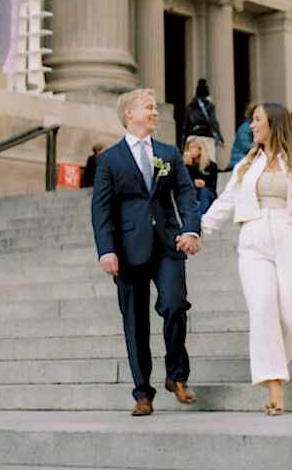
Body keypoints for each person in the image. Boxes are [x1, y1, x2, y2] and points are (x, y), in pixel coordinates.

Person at [201, 102, 292, 416]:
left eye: (256, 120)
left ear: (273, 124)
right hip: (254, 239)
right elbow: (227, 200)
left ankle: (272, 362)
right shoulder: (246, 164)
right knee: (262, 309)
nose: (251, 126)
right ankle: (274, 387)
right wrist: (199, 230)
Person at [92, 88, 201, 417]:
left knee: (174, 304)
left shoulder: (167, 154)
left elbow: (185, 194)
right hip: (127, 250)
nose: (155, 112)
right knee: (135, 322)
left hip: (168, 244)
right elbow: (101, 209)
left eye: (154, 107)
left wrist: (190, 229)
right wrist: (106, 250)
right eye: (149, 107)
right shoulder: (110, 160)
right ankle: (143, 392)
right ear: (130, 114)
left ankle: (176, 375)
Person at [181, 78, 224, 161]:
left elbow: (185, 126)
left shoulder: (190, 106)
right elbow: (213, 122)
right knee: (209, 160)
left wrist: (183, 143)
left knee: (194, 161)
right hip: (207, 136)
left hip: (193, 136)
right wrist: (220, 137)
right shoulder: (209, 106)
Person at [183, 135, 218, 215]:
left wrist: (204, 183)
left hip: (207, 193)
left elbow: (213, 184)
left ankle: (201, 218)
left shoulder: (211, 165)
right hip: (193, 192)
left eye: (193, 147)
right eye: (189, 148)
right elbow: (184, 181)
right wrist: (187, 166)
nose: (190, 150)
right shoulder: (187, 165)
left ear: (200, 149)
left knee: (203, 191)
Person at [228, 102, 256, 169]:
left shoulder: (249, 126)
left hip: (245, 160)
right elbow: (246, 146)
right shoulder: (246, 127)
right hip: (239, 161)